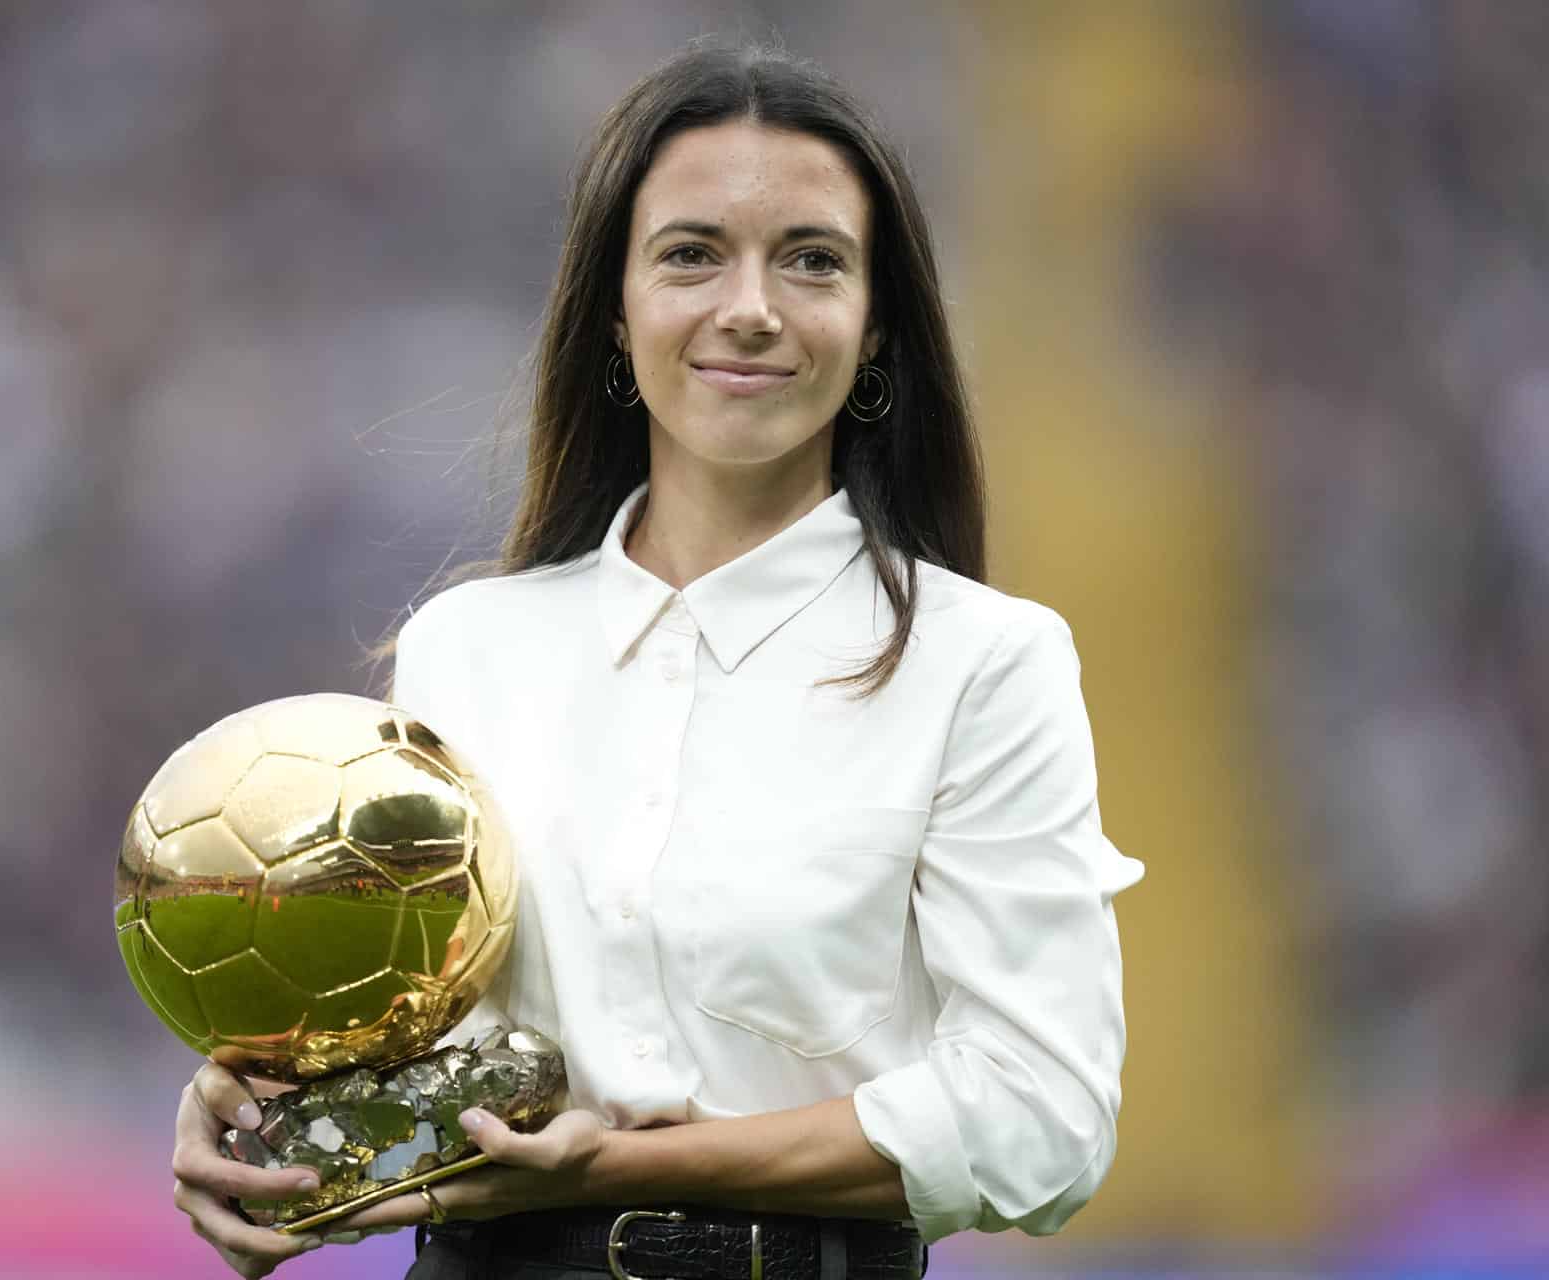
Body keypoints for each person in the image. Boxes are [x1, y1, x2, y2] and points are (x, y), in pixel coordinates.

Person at [170, 40, 1144, 1280]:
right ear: (613, 317)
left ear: (876, 327)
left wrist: (629, 1167)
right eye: (692, 254)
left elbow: (1042, 1117)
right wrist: (264, 1102)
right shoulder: (466, 649)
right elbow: (438, 1045)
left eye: (812, 260)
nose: (751, 305)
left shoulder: (985, 664)